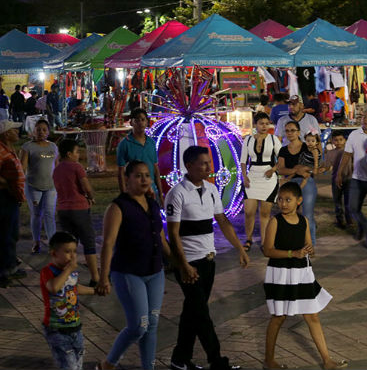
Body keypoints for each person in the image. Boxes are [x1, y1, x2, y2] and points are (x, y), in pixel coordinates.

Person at [165, 146, 249, 370]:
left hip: (208, 260)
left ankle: (179, 359)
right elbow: (172, 234)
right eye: (203, 163)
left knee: (193, 311)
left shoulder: (212, 189)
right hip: (189, 263)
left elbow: (222, 221)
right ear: (189, 165)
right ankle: (217, 361)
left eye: (209, 163)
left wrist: (240, 248)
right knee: (201, 314)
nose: (209, 167)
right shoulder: (177, 193)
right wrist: (183, 265)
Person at [262, 182, 348, 370]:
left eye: (288, 200)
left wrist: (309, 250)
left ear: (299, 201)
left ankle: (327, 360)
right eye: (280, 199)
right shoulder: (275, 221)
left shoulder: (304, 221)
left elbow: (309, 246)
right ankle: (269, 361)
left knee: (312, 316)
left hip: (302, 273)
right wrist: (293, 253)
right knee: (279, 317)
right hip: (281, 274)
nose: (283, 203)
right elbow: (267, 250)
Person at [95, 161, 172, 370]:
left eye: (147, 175)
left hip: (155, 271)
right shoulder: (118, 207)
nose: (145, 179)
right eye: (138, 176)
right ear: (126, 179)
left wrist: (176, 260)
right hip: (129, 272)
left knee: (152, 325)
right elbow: (108, 243)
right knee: (139, 326)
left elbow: (160, 236)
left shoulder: (153, 204)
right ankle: (109, 363)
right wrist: (103, 278)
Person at [40, 231, 97, 370]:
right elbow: (54, 287)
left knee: (77, 363)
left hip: (75, 327)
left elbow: (74, 288)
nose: (72, 256)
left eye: (74, 251)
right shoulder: (48, 271)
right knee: (69, 366)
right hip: (56, 329)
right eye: (67, 252)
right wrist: (69, 269)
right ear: (54, 253)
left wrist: (95, 291)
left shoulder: (70, 272)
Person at [53, 140, 100, 286]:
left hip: (63, 209)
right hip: (79, 209)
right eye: (77, 152)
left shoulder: (57, 169)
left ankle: (68, 278)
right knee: (89, 243)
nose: (79, 155)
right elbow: (85, 186)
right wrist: (91, 197)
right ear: (69, 154)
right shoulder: (76, 167)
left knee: (69, 246)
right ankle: (95, 278)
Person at [240, 112, 282, 251]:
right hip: (252, 177)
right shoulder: (248, 140)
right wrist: (244, 176)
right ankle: (248, 239)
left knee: (265, 213)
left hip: (268, 178)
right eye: (261, 123)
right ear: (255, 125)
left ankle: (264, 241)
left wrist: (273, 169)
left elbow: (282, 158)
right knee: (249, 211)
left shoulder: (273, 139)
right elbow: (243, 161)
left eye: (266, 123)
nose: (264, 126)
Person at [336, 109, 367, 245]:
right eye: (364, 117)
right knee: (352, 207)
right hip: (357, 178)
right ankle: (363, 225)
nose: (365, 120)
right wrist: (339, 173)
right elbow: (347, 154)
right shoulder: (354, 135)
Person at [18, 119, 59, 254]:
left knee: (49, 215)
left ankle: (53, 243)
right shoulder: (27, 147)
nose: (41, 132)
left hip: (51, 187)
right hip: (33, 187)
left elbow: (57, 167)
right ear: (33, 131)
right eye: (38, 129)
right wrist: (20, 185)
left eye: (44, 130)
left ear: (48, 132)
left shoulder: (53, 146)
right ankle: (36, 241)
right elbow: (22, 168)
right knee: (36, 214)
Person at [277, 121, 319, 247]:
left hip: (307, 183)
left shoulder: (308, 147)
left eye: (292, 130)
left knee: (308, 215)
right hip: (290, 184)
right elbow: (281, 169)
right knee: (289, 214)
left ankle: (310, 245)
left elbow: (315, 168)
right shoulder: (283, 150)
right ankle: (292, 242)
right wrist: (296, 170)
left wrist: (306, 170)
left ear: (299, 132)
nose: (290, 133)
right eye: (287, 130)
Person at [0, 120, 27, 288]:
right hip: (3, 198)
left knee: (12, 233)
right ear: (5, 134)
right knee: (4, 234)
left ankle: (10, 265)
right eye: (13, 130)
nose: (17, 132)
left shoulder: (9, 149)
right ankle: (3, 271)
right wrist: (9, 186)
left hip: (11, 197)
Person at [116, 108, 164, 204]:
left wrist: (160, 193)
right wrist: (124, 193)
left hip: (151, 191)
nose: (140, 123)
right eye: (136, 120)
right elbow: (120, 172)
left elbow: (155, 169)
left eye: (143, 119)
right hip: (134, 192)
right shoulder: (124, 144)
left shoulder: (151, 143)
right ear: (131, 123)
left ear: (147, 122)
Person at [323, 130, 352, 229]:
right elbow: (327, 167)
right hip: (335, 180)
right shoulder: (330, 153)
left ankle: (350, 221)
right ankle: (340, 220)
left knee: (348, 201)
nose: (338, 142)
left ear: (345, 140)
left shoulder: (350, 152)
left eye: (341, 139)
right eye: (336, 140)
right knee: (337, 201)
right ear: (332, 141)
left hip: (349, 179)